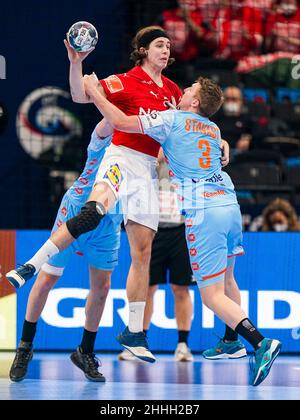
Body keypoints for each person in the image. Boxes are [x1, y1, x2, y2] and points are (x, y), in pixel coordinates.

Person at [82, 74, 282, 386]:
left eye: (189, 90)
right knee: (228, 279)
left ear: (195, 102)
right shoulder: (214, 129)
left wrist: (95, 92)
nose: (184, 90)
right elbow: (183, 151)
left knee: (212, 296)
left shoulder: (172, 118)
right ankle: (230, 341)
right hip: (230, 205)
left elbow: (120, 120)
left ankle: (259, 343)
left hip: (204, 213)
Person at [6, 26, 183, 364]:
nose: (166, 49)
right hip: (122, 157)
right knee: (91, 212)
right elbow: (80, 95)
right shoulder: (125, 81)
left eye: (168, 44)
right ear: (143, 50)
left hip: (146, 170)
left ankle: (133, 333)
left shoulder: (173, 91)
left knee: (143, 252)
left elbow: (184, 127)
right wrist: (77, 63)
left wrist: (214, 142)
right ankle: (30, 266)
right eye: (159, 44)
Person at [7, 120, 122, 382]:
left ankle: (85, 352)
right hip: (76, 212)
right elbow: (107, 121)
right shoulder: (107, 137)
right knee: (47, 278)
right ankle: (24, 346)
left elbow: (170, 148)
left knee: (102, 288)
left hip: (109, 221)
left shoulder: (140, 148)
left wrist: (219, 142)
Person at [119, 149, 195, 362]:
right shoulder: (149, 149)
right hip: (152, 228)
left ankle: (182, 345)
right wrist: (157, 156)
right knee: (147, 288)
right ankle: (137, 342)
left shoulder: (183, 148)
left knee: (180, 288)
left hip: (180, 230)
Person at [214, 86, 253, 155]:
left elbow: (257, 132)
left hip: (239, 154)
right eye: (227, 99)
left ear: (241, 101)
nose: (230, 102)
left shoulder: (247, 119)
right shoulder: (215, 118)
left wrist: (248, 138)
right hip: (217, 153)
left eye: (234, 99)